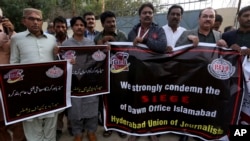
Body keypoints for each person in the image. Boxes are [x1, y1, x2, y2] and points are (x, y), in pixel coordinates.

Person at [176, 7, 227, 141]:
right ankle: (184, 133)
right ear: (199, 19)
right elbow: (176, 52)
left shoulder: (219, 36)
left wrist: (225, 46)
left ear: (214, 20)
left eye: (211, 17)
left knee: (204, 108)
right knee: (187, 107)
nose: (208, 19)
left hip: (210, 81)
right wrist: (188, 40)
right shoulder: (187, 33)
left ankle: (200, 132)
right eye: (205, 16)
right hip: (190, 80)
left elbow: (224, 58)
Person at [10, 8, 58, 141]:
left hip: (50, 90)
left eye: (39, 19)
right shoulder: (16, 39)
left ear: (42, 22)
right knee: (32, 129)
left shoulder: (52, 39)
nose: (35, 22)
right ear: (24, 21)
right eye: (31, 19)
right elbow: (13, 65)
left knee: (50, 127)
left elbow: (58, 63)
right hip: (28, 92)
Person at [127, 2, 167, 141]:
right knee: (136, 102)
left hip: (153, 73)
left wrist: (144, 40)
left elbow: (162, 46)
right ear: (140, 16)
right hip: (136, 73)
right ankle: (135, 130)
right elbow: (128, 49)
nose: (147, 15)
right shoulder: (133, 31)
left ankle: (151, 130)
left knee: (151, 102)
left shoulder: (159, 30)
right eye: (145, 13)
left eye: (150, 12)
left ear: (153, 15)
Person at [61, 16, 98, 141]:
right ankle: (78, 133)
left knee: (91, 104)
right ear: (72, 27)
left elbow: (94, 60)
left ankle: (91, 131)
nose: (79, 27)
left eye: (82, 25)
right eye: (76, 25)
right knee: (75, 107)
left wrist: (82, 68)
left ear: (85, 27)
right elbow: (61, 62)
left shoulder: (90, 43)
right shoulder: (66, 44)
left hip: (88, 79)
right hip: (73, 81)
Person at [93, 10, 128, 139]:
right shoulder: (97, 37)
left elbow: (127, 54)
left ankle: (121, 126)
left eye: (113, 21)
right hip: (103, 75)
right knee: (105, 103)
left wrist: (114, 43)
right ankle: (108, 127)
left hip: (119, 74)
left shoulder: (122, 35)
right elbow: (94, 57)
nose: (112, 24)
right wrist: (101, 44)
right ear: (103, 24)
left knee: (120, 100)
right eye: (108, 22)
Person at [0, 8, 26, 141]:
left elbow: (20, 47)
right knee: (0, 120)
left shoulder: (8, 30)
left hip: (12, 79)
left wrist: (11, 31)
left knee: (18, 116)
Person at [52, 16, 71, 140]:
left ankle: (71, 125)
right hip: (55, 79)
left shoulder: (72, 41)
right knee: (59, 106)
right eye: (58, 26)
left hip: (71, 77)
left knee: (70, 105)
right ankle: (58, 128)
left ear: (66, 28)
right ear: (54, 28)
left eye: (63, 27)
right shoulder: (49, 41)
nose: (60, 29)